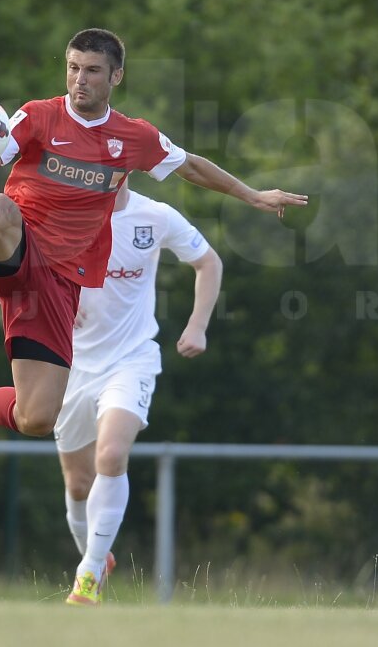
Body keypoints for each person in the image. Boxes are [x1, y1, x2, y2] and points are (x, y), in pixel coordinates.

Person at [0, 29, 302, 445]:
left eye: (93, 70)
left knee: (38, 418)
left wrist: (252, 194)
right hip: (14, 250)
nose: (80, 79)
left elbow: (191, 166)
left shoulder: (134, 137)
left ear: (116, 76)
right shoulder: (38, 116)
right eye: (73, 68)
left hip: (58, 284)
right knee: (6, 210)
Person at [55, 181, 222, 605]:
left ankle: (88, 576)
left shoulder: (156, 216)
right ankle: (96, 556)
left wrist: (197, 325)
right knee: (77, 485)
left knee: (110, 455)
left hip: (132, 359)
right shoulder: (60, 214)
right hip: (72, 366)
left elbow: (209, 262)